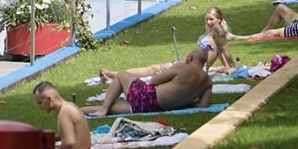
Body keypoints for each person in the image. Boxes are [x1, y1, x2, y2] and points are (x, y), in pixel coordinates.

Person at [85, 51, 213, 116]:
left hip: (148, 97)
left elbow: (153, 82)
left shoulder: (181, 67)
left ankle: (103, 109)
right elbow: (203, 105)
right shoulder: (208, 81)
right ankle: (78, 111)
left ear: (190, 57)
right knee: (113, 107)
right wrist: (185, 101)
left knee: (121, 75)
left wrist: (162, 76)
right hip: (157, 108)